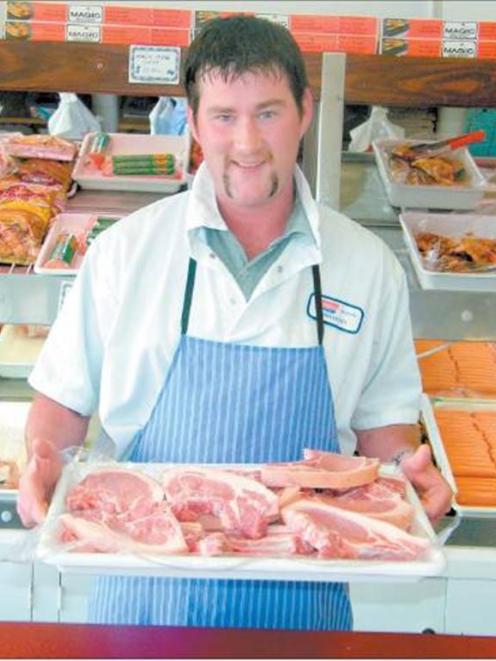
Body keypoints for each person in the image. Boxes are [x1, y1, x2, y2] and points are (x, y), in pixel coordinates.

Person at [18, 15, 452, 630]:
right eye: (224, 116)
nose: (247, 142)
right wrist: (41, 461)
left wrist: (412, 485)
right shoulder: (127, 251)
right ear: (193, 123)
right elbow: (61, 405)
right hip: (144, 596)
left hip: (303, 599)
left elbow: (385, 433)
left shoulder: (366, 267)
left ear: (305, 110)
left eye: (268, 113)